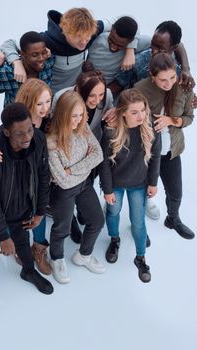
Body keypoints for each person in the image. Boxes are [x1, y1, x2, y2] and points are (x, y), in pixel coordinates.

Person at [0, 103, 54, 322]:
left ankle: (28, 271)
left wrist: (39, 211)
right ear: (7, 131)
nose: (27, 136)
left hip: (24, 209)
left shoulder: (38, 139)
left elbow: (43, 176)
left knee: (23, 244)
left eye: (29, 129)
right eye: (20, 133)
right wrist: (3, 236)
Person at [0, 79, 53, 275]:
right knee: (18, 222)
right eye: (39, 103)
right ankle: (15, 244)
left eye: (48, 101)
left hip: (36, 181)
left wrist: (40, 210)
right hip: (15, 192)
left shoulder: (48, 121)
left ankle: (39, 248)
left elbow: (43, 171)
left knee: (38, 217)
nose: (45, 108)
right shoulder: (11, 127)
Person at [99, 89, 161, 283]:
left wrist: (153, 182)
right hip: (116, 183)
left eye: (143, 110)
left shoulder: (149, 128)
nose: (140, 116)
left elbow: (156, 157)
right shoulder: (111, 132)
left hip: (139, 183)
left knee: (138, 221)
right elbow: (104, 164)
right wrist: (107, 190)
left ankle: (141, 257)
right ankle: (115, 239)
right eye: (134, 112)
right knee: (113, 212)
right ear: (123, 112)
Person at [135, 53, 196, 240]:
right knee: (141, 193)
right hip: (146, 153)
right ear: (152, 77)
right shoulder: (140, 89)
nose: (168, 83)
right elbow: (130, 117)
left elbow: (189, 118)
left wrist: (171, 120)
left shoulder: (184, 88)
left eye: (172, 77)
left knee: (176, 192)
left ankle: (173, 219)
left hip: (171, 151)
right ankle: (139, 228)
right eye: (162, 80)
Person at [46, 90, 105, 284]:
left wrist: (72, 169)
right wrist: (81, 166)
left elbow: (98, 154)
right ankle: (56, 258)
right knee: (61, 229)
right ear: (63, 114)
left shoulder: (83, 128)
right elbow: (62, 180)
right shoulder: (52, 141)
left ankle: (84, 255)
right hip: (62, 191)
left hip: (84, 184)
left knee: (97, 220)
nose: (78, 120)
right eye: (74, 116)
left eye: (81, 115)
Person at [51, 62, 113, 243]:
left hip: (91, 147)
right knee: (68, 187)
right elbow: (57, 125)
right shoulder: (63, 97)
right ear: (79, 90)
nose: (97, 100)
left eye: (100, 94)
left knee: (86, 181)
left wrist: (114, 112)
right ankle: (70, 220)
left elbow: (106, 115)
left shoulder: (106, 96)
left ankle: (83, 210)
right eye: (92, 95)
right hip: (67, 151)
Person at [1, 7, 128, 92]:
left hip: (74, 92)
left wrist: (130, 51)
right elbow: (8, 44)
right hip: (50, 93)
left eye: (87, 36)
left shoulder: (92, 29)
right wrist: (16, 62)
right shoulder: (47, 40)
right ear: (66, 32)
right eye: (78, 37)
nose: (84, 42)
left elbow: (127, 21)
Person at [87, 16, 151, 97]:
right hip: (87, 83)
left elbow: (157, 43)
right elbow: (130, 16)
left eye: (119, 46)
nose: (113, 47)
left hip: (109, 91)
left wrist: (130, 51)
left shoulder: (135, 43)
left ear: (131, 41)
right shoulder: (97, 38)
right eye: (111, 40)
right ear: (112, 28)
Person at [0, 31, 54, 106]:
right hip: (16, 116)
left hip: (43, 115)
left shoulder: (48, 63)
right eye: (35, 55)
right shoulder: (7, 72)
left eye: (43, 52)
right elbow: (8, 44)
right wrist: (16, 62)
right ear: (23, 55)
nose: (41, 58)